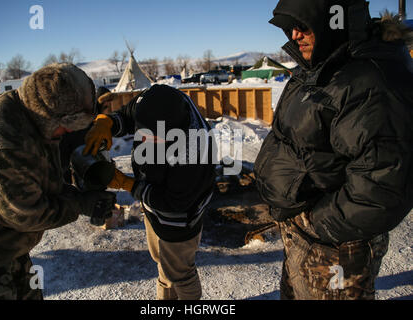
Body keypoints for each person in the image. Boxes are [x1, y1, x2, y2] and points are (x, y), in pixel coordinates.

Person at [254, 0, 413, 300]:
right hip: (304, 236)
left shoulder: (370, 78)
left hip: (333, 246)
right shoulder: (321, 65)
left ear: (334, 20)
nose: (294, 35)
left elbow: (384, 184)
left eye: (303, 25)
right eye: (290, 28)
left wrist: (319, 224)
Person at [0, 63, 116, 300]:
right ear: (51, 118)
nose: (65, 134)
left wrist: (79, 195)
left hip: (8, 249)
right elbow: (25, 213)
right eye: (65, 128)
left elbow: (42, 184)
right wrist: (80, 205)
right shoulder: (2, 143)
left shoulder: (30, 114)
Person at [84, 84, 216, 300]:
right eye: (143, 133)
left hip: (180, 221)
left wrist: (129, 185)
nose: (146, 141)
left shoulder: (195, 153)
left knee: (181, 273)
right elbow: (128, 114)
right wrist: (108, 122)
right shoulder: (151, 99)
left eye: (156, 137)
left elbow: (173, 203)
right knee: (162, 263)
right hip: (154, 206)